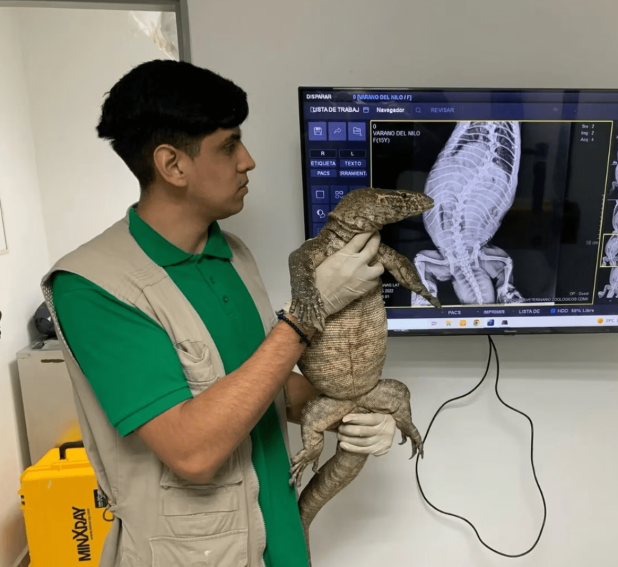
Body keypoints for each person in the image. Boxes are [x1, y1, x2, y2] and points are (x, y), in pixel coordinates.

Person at [40, 59, 398, 567]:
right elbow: (193, 452)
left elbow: (264, 386)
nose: (248, 161)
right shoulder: (93, 287)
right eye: (229, 146)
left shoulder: (232, 255)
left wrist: (353, 413)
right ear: (173, 165)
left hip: (282, 545)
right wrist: (306, 314)